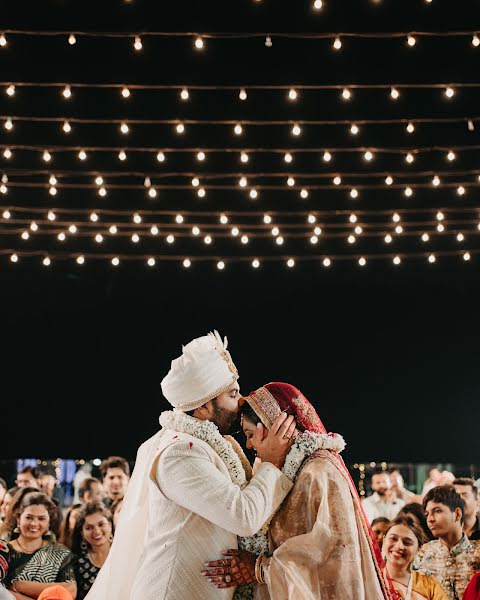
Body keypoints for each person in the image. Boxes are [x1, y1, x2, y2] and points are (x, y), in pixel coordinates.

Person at [85, 330, 296, 600]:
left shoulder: (209, 445)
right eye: (232, 394)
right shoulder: (179, 453)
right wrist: (271, 461)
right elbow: (244, 517)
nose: (242, 401)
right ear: (204, 408)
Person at [204, 382, 393, 600]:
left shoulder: (319, 471)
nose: (248, 444)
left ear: (273, 426)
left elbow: (334, 556)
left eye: (249, 434)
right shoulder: (272, 469)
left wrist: (261, 569)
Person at [3, 492, 76, 599]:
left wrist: (19, 586)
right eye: (29, 517)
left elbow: (70, 591)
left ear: (49, 523)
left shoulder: (60, 553)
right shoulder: (4, 551)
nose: (34, 523)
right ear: (19, 519)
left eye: (41, 519)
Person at [414, 486, 480, 600]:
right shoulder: (422, 554)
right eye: (427, 514)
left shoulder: (478, 552)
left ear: (457, 514)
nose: (430, 519)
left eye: (437, 511)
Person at [382, 516, 447, 599]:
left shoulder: (430, 587)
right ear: (384, 541)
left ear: (419, 549)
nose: (399, 546)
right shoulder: (371, 578)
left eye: (407, 542)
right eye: (393, 539)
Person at [72, 503, 113, 600]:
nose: (97, 532)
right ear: (82, 533)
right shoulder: (78, 563)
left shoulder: (124, 553)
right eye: (89, 528)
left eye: (101, 524)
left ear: (110, 525)